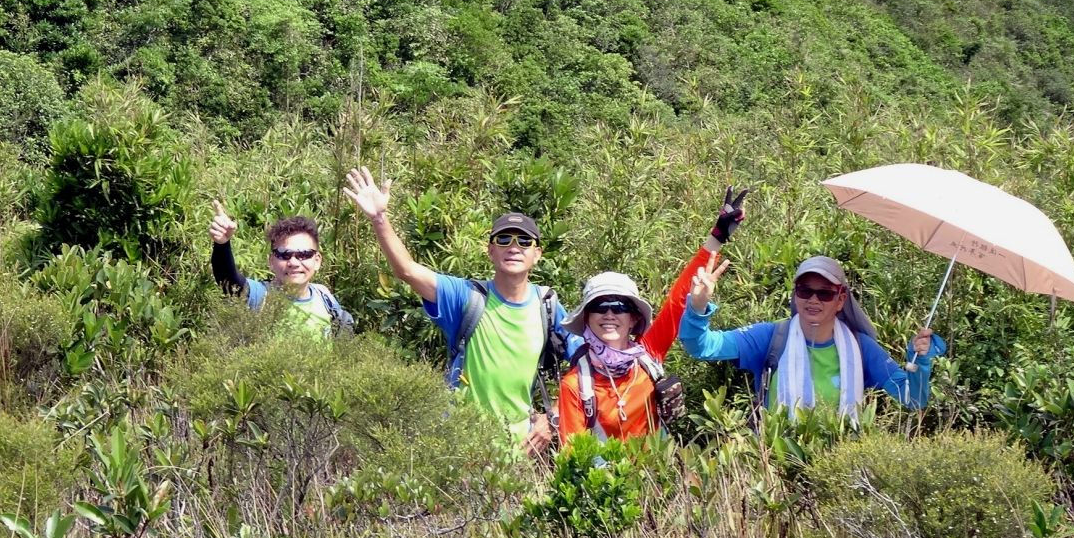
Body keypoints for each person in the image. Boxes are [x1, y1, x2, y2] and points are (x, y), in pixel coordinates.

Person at [342, 166, 577, 456]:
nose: (514, 247)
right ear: (490, 251)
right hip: (460, 447)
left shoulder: (548, 305)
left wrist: (553, 417)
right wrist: (379, 218)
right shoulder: (466, 296)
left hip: (520, 451)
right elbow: (407, 270)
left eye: (524, 241)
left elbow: (585, 363)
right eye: (504, 239)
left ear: (537, 254)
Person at [558, 187, 748, 441]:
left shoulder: (647, 354)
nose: (609, 314)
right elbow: (572, 455)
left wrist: (718, 236)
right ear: (587, 318)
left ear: (634, 317)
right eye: (600, 306)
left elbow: (677, 302)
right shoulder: (576, 385)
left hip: (657, 467)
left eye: (620, 307)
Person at [680, 252, 945, 419]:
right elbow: (701, 347)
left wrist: (920, 360)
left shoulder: (860, 347)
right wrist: (698, 307)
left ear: (841, 299)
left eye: (825, 293)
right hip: (777, 468)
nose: (813, 300)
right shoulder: (771, 336)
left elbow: (912, 399)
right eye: (805, 291)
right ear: (795, 294)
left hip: (839, 472)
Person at [208, 202, 354, 338]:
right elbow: (229, 282)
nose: (294, 263)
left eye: (304, 255)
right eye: (284, 255)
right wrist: (222, 244)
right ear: (271, 261)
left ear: (317, 261)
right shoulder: (262, 295)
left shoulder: (324, 297)